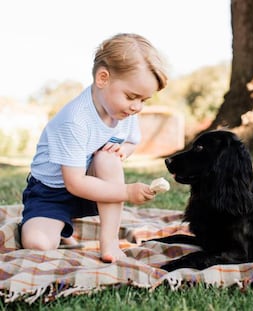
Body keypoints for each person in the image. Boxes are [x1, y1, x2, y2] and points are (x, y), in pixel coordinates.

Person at [20, 33, 168, 263]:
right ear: (102, 78)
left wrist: (122, 152)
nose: (137, 107)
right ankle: (58, 227)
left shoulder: (123, 111)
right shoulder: (75, 120)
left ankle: (109, 243)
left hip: (94, 187)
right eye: (132, 96)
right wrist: (127, 192)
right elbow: (74, 182)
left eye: (144, 100)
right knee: (38, 245)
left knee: (108, 159)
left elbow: (130, 142)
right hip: (52, 193)